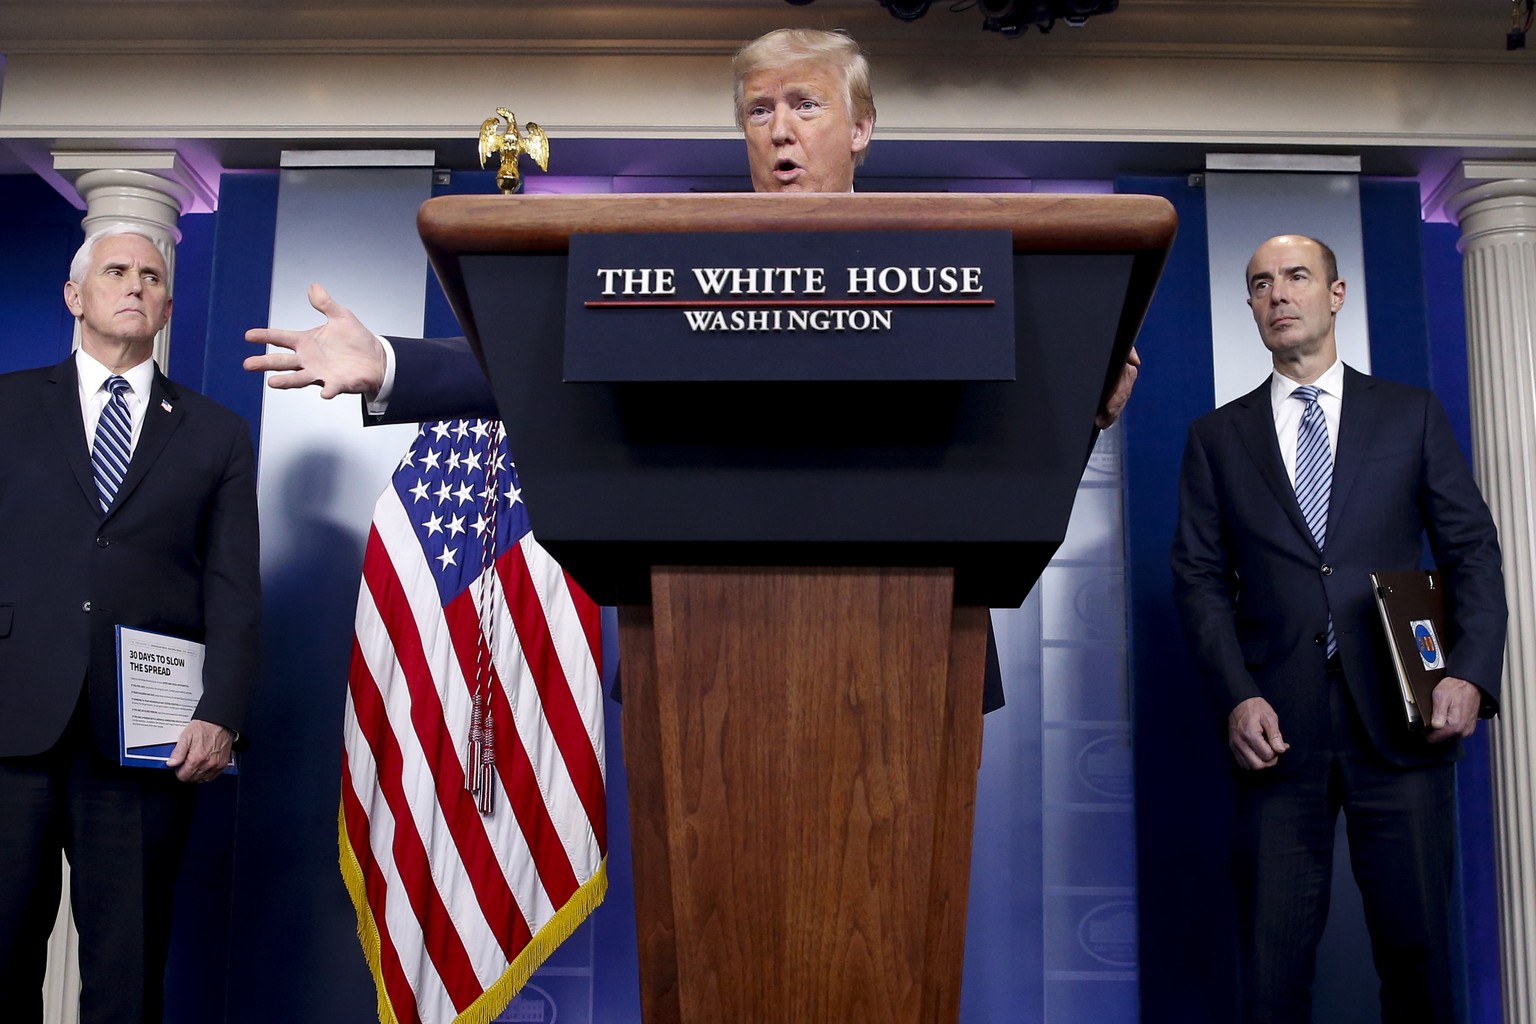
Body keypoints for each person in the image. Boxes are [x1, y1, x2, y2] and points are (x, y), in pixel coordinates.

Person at [242, 27, 1138, 430]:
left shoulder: (952, 257)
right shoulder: (682, 251)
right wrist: (390, 364)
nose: (780, 129)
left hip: (922, 613)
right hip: (697, 607)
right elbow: (563, 355)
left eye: (806, 105)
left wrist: (1081, 401)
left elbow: (1003, 398)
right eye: (758, 110)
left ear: (862, 126)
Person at [1171, 234, 1506, 1023]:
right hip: (1276, 727)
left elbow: (1472, 553)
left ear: (1336, 293)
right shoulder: (1217, 437)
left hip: (1403, 717)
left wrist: (1470, 671)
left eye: (1295, 277)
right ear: (1251, 307)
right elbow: (1197, 578)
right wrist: (1236, 698)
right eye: (1260, 284)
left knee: (1418, 953)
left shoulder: (1410, 414)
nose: (1277, 294)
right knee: (1271, 968)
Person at [0, 226, 261, 1022]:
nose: (135, 285)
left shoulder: (215, 431)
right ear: (76, 296)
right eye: (116, 271)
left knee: (128, 971)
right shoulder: (6, 406)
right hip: (12, 724)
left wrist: (221, 712)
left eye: (150, 276)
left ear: (168, 307)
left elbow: (233, 584)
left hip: (146, 737)